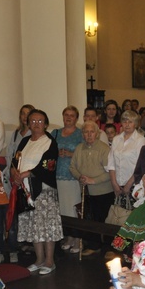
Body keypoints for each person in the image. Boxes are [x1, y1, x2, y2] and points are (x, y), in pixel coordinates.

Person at [11, 109, 62, 275]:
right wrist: (15, 173)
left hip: (43, 191)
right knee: (34, 226)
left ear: (46, 124)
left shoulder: (49, 142)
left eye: (40, 121)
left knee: (46, 226)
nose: (36, 124)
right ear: (28, 123)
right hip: (26, 191)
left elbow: (48, 165)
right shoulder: (25, 141)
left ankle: (49, 261)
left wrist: (26, 173)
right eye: (33, 121)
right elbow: (15, 160)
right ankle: (39, 259)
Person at [69, 121, 115, 256]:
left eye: (92, 132)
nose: (89, 135)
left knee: (105, 221)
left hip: (104, 191)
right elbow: (72, 167)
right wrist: (80, 177)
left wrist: (93, 180)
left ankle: (108, 249)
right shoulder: (79, 148)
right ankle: (94, 246)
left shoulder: (104, 149)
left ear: (97, 133)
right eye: (86, 132)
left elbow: (110, 172)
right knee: (90, 220)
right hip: (86, 191)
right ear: (82, 134)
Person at [52, 106, 84, 252]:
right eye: (66, 115)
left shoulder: (80, 134)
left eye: (72, 115)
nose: (69, 118)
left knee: (73, 209)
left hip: (73, 177)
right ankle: (69, 237)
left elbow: (84, 154)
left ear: (76, 118)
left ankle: (77, 240)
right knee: (63, 210)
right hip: (57, 175)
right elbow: (49, 151)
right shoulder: (56, 133)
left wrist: (71, 154)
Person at [107, 110, 145, 203]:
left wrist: (128, 185)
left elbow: (140, 165)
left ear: (135, 124)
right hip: (117, 185)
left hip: (134, 185)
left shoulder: (140, 140)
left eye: (130, 122)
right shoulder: (116, 139)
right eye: (124, 121)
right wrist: (114, 184)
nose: (127, 124)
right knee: (118, 215)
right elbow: (111, 163)